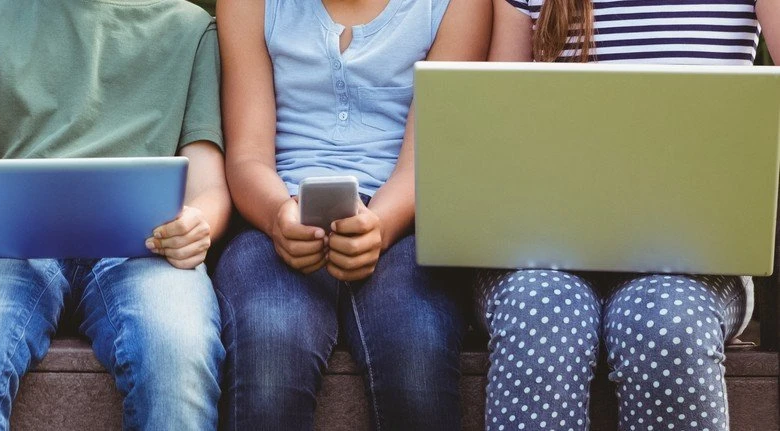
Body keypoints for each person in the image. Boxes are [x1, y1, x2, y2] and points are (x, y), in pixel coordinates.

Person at [479, 0, 780, 430]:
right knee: (539, 317)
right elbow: (495, 121)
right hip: (540, 254)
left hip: (694, 262)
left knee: (667, 325)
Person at [212, 0, 490, 429]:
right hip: (277, 217)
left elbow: (429, 160)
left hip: (405, 222)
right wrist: (278, 217)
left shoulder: (456, 6)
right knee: (271, 342)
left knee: (415, 350)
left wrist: (378, 226)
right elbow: (248, 156)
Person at [0, 0, 230, 428]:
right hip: (11, 250)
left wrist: (198, 224)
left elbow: (209, 186)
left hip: (145, 250)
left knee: (176, 351)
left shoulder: (192, 29)